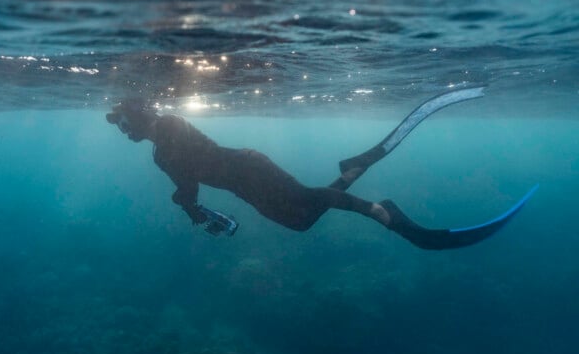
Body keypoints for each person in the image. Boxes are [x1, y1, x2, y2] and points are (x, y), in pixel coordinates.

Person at [106, 89, 537, 250]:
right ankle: (353, 171)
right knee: (302, 220)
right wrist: (189, 204)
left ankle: (382, 214)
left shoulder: (169, 130)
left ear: (140, 115)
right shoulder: (161, 148)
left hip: (249, 172)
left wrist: (186, 202)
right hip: (245, 180)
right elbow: (188, 184)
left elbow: (187, 177)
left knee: (307, 205)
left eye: (123, 122)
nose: (122, 131)